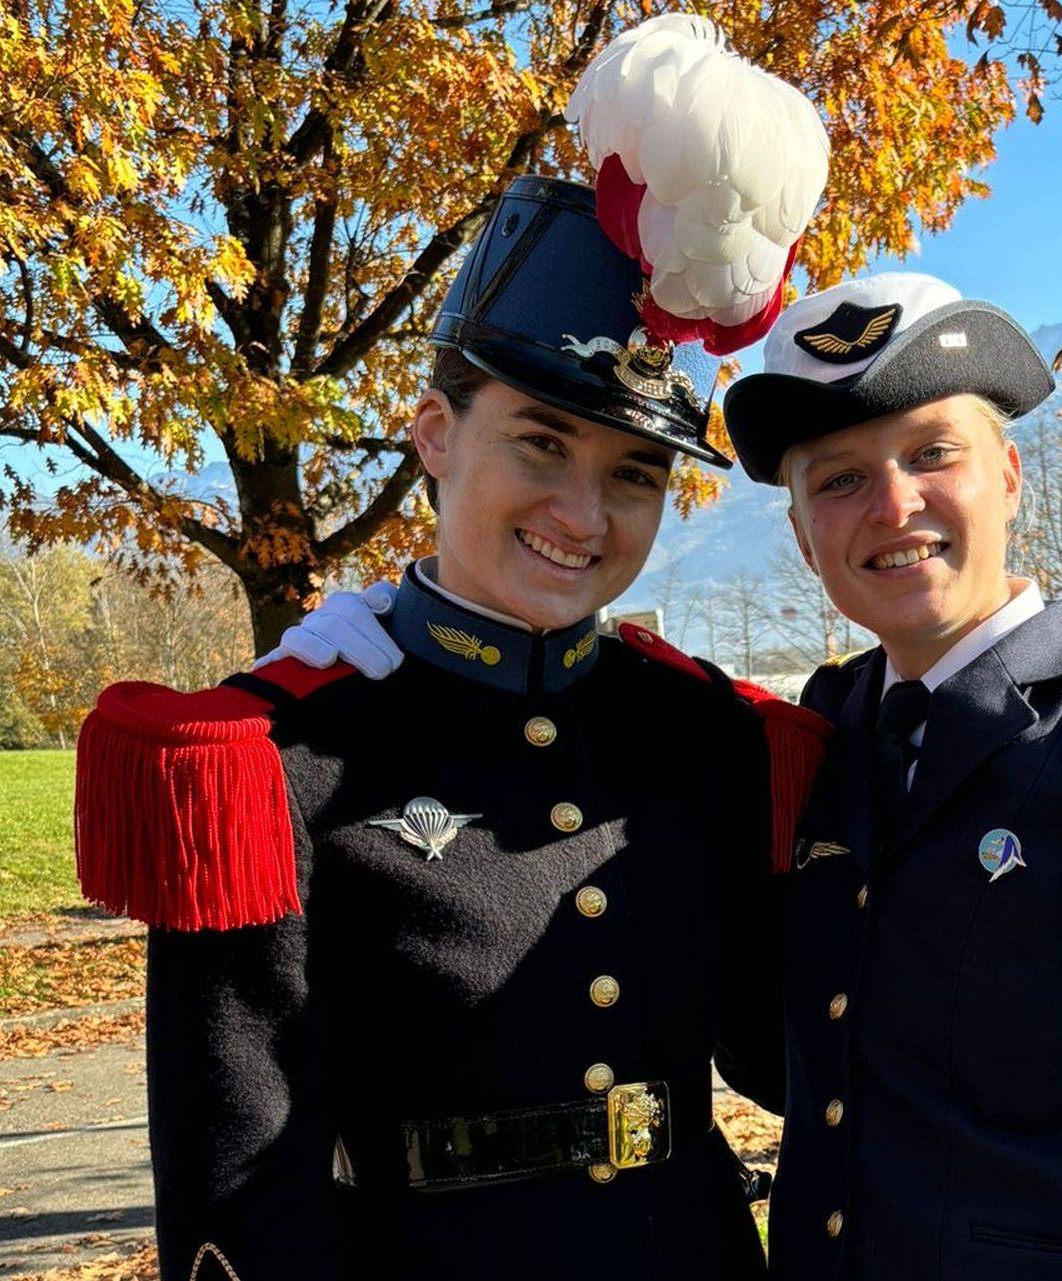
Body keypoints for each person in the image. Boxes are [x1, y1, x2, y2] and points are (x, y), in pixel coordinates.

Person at [277, 273, 1062, 1278]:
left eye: (932, 453)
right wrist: (409, 643)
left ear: (1010, 476)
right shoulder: (820, 738)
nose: (892, 507)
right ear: (802, 537)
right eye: (841, 480)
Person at [72, 17, 831, 1279]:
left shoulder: (713, 738)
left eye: (635, 473)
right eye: (540, 443)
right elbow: (239, 1184)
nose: (582, 515)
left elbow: (800, 1058)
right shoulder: (275, 760)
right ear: (434, 432)